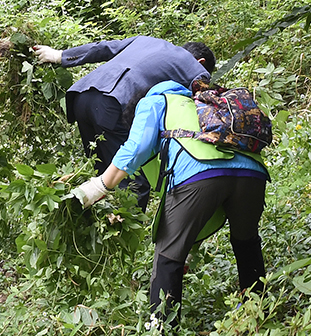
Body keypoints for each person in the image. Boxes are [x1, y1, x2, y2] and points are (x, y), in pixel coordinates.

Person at [71, 77, 267, 332]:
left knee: (168, 256)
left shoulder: (155, 100)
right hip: (252, 173)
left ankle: (161, 334)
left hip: (199, 172)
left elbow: (137, 147)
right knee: (246, 242)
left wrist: (99, 186)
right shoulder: (200, 103)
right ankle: (257, 311)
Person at [30, 36, 215, 207]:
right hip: (112, 106)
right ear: (202, 63)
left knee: (103, 175)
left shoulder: (146, 41)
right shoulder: (197, 70)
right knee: (134, 183)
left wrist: (60, 55)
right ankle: (123, 241)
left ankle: (94, 228)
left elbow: (104, 47)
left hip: (81, 98)